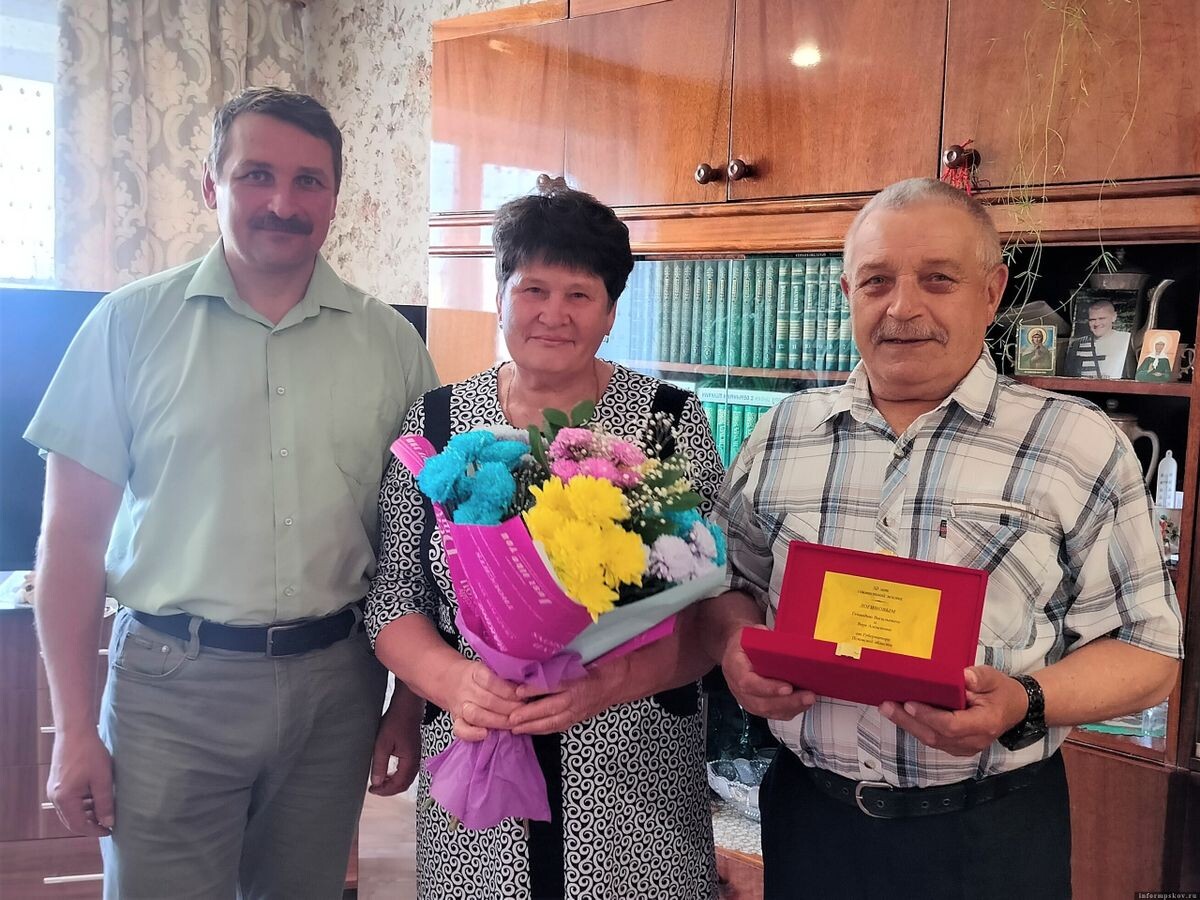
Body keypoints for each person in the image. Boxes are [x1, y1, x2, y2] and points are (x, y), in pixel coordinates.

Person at [701, 178, 1182, 900]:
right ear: (847, 292)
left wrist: (1024, 700)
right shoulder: (782, 433)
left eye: (938, 279)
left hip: (989, 839)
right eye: (876, 281)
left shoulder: (1076, 443)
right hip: (808, 824)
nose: (903, 308)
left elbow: (1148, 653)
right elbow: (728, 586)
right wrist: (736, 649)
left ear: (991, 292)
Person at [26, 87, 439, 899]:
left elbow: (419, 543)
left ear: (335, 197)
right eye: (257, 175)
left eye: (309, 181)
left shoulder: (393, 345)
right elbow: (70, 540)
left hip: (338, 690)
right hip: (171, 691)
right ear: (211, 184)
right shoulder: (127, 326)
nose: (283, 202)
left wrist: (405, 706)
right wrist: (73, 727)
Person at [367, 186, 724, 899]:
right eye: (532, 288)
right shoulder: (437, 422)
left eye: (579, 294)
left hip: (633, 768)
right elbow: (396, 596)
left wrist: (605, 684)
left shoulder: (667, 422)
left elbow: (710, 605)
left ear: (610, 311)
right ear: (500, 296)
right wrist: (454, 682)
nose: (553, 314)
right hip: (478, 750)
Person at [1074, 298, 1131, 377]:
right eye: (1092, 320)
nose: (1097, 323)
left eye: (1101, 318)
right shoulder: (1078, 344)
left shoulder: (1127, 339)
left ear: (1114, 317)